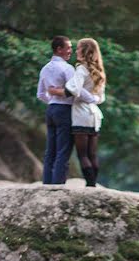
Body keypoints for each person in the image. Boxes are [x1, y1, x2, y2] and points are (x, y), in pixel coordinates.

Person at [37, 36, 99, 185]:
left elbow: (40, 94)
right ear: (59, 49)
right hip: (65, 111)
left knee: (50, 150)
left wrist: (52, 101)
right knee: (63, 151)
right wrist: (93, 99)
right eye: (69, 47)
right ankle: (57, 185)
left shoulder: (45, 68)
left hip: (51, 110)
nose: (71, 51)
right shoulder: (67, 68)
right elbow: (77, 90)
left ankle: (47, 183)